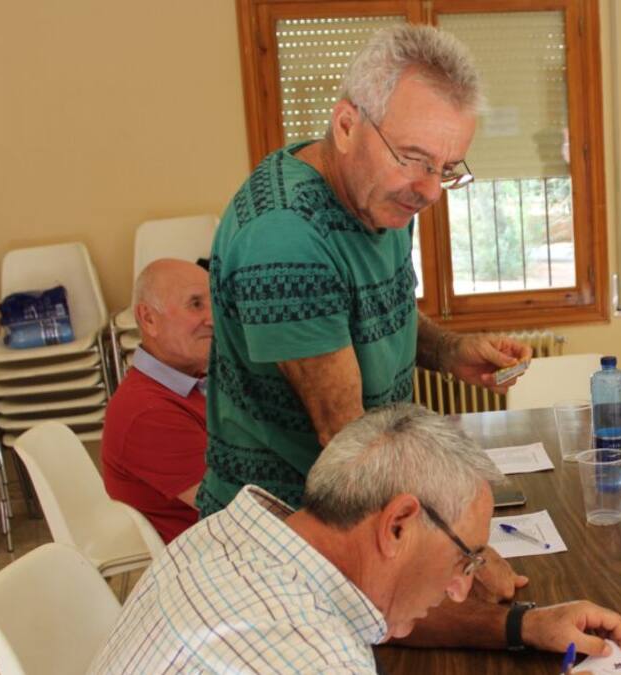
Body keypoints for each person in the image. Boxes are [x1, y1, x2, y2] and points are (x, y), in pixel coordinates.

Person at [198, 26, 530, 521]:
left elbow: (378, 309)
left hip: (357, 503)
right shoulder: (286, 238)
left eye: (446, 168)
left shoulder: (380, 194)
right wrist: (459, 549)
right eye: (414, 159)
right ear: (347, 125)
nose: (430, 191)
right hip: (287, 527)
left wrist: (449, 351)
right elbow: (348, 439)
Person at [91, 403, 621, 673]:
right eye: (465, 559)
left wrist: (525, 624)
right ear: (397, 524)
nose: (462, 589)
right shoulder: (312, 659)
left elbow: (377, 614)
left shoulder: (230, 534)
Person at [101, 258, 212, 543]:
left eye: (215, 303)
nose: (213, 319)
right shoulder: (148, 412)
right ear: (148, 319)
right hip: (209, 556)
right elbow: (232, 507)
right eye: (196, 304)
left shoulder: (192, 381)